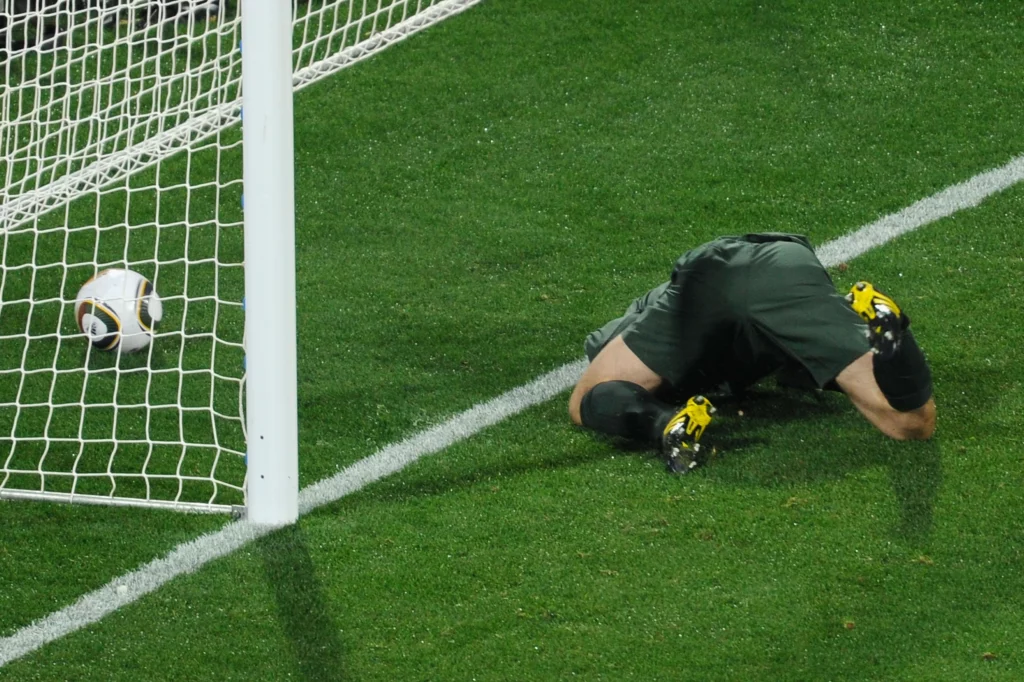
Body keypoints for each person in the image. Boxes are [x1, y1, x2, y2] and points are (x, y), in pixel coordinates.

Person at [568, 233, 935, 473]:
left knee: (586, 397)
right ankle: (893, 333)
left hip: (710, 282)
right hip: (786, 264)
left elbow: (604, 380)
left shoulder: (629, 331)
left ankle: (666, 425)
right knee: (910, 423)